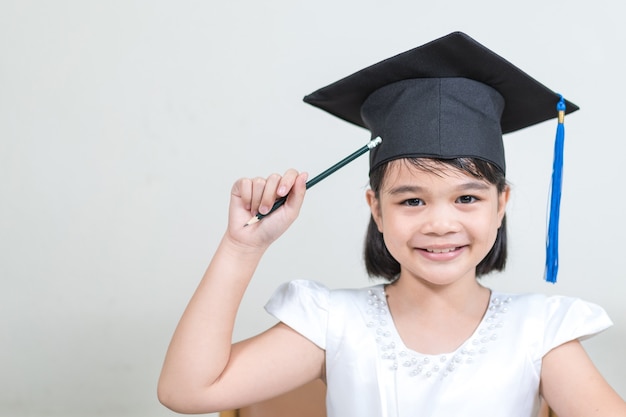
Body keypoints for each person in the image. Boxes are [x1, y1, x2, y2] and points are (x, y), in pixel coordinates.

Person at [157, 32, 626, 417]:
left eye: (467, 198)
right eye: (412, 200)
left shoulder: (538, 333)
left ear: (500, 205)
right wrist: (242, 249)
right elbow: (188, 391)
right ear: (376, 208)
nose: (441, 223)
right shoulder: (334, 325)